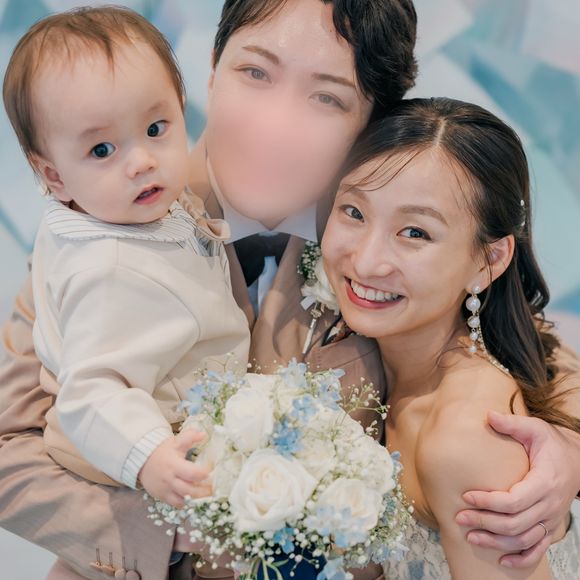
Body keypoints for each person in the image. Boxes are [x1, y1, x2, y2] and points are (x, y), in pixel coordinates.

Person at [0, 2, 579, 579]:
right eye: (255, 72)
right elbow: (8, 446)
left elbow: (518, 344)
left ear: (373, 118)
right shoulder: (105, 228)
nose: (276, 125)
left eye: (327, 97)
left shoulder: (373, 242)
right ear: (212, 68)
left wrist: (566, 451)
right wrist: (168, 530)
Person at [321, 96, 580, 579]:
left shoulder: (466, 438)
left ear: (489, 261)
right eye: (354, 211)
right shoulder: (386, 359)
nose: (367, 261)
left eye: (415, 233)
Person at [2, 6, 251, 508]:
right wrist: (148, 456)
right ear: (54, 176)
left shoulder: (106, 211)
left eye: (156, 128)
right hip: (140, 437)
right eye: (102, 150)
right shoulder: (107, 271)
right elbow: (91, 391)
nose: (142, 161)